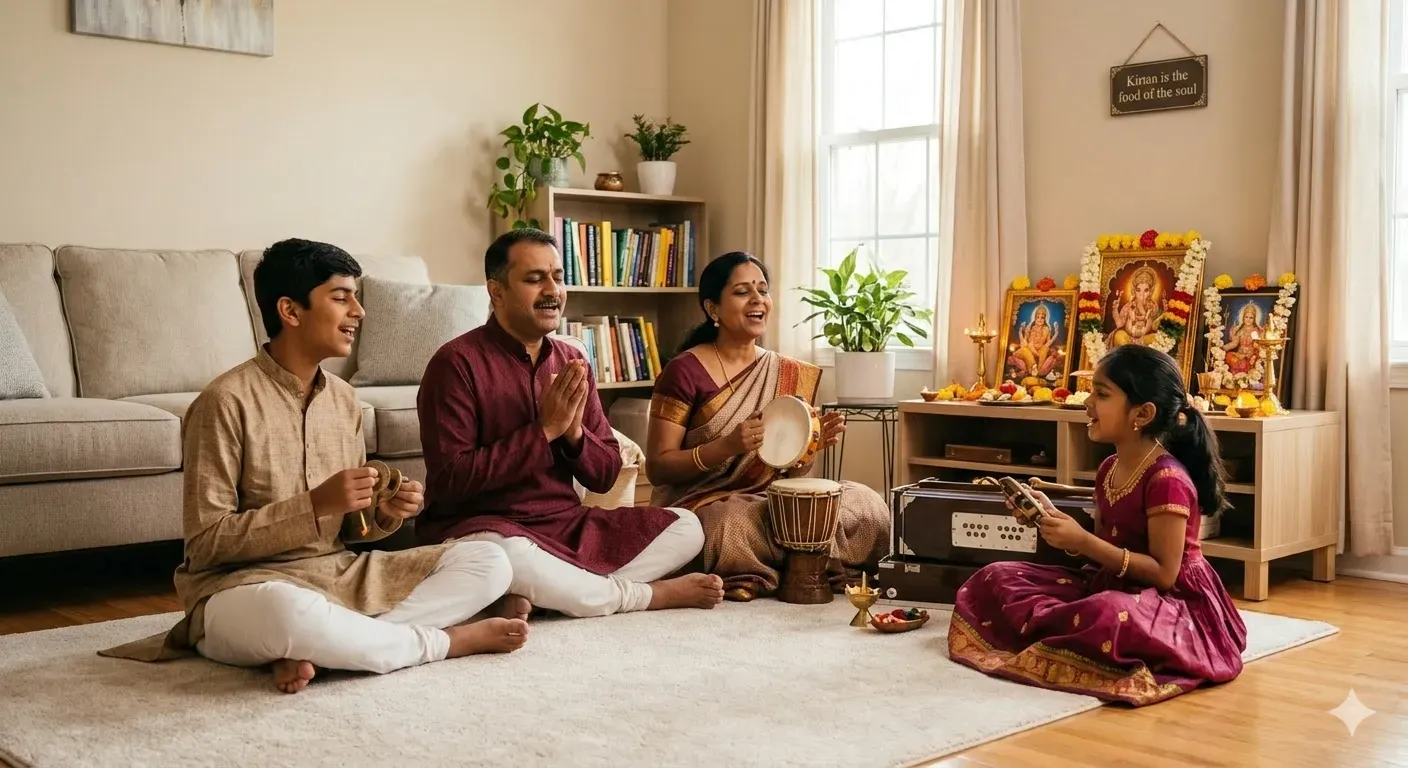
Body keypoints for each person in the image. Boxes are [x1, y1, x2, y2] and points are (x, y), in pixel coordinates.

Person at [99, 238, 529, 693]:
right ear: (290, 310)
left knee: (489, 561)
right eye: (341, 298)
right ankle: (440, 642)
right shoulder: (223, 403)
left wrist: (384, 513)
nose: (359, 312)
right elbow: (205, 546)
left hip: (337, 576)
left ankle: (323, 650)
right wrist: (315, 504)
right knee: (286, 614)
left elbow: (348, 532)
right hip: (243, 588)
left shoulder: (345, 402)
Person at [415, 228, 724, 618]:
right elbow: (450, 482)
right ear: (496, 292)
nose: (552, 290)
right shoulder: (456, 363)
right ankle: (643, 596)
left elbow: (606, 474)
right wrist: (543, 431)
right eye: (534, 279)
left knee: (686, 526)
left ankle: (542, 594)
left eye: (558, 278)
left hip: (565, 524)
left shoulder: (570, 361)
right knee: (506, 557)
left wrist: (574, 434)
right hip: (486, 526)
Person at [946, 343, 1248, 707]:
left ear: (1143, 413)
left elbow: (1165, 575)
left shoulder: (1167, 479)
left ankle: (1068, 640)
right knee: (997, 576)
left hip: (1173, 601)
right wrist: (1055, 524)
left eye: (1101, 394)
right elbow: (1103, 541)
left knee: (1105, 613)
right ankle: (1068, 638)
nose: (1087, 403)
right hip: (1111, 583)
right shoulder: (1109, 467)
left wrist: (1084, 542)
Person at [643, 252, 890, 602]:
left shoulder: (788, 372)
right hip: (705, 502)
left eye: (762, 289)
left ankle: (780, 567)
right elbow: (657, 468)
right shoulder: (684, 371)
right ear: (713, 309)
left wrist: (809, 448)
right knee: (728, 525)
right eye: (743, 291)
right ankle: (808, 563)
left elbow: (793, 481)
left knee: (866, 504)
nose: (758, 299)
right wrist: (726, 446)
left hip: (768, 501)